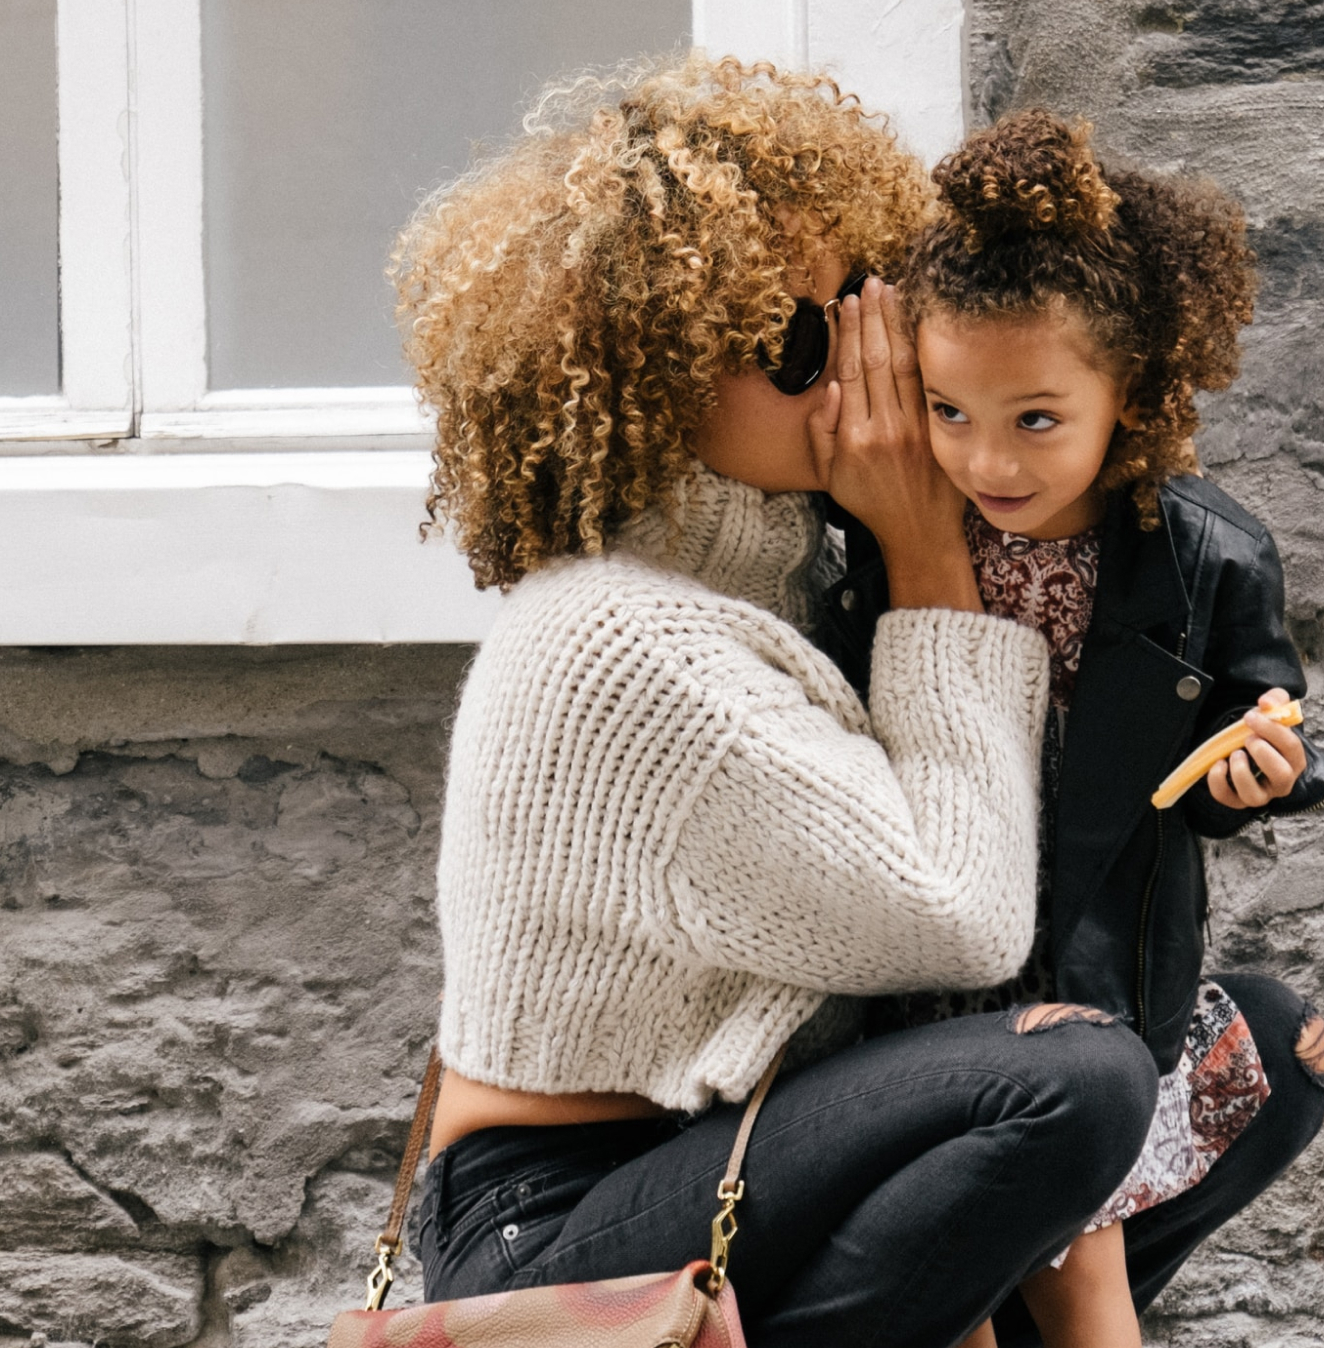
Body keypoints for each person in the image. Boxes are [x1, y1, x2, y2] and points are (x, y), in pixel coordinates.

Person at [388, 58, 1158, 1348]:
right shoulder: (622, 642)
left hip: (734, 1160)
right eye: (797, 342)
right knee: (1071, 1085)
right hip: (558, 1225)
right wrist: (930, 548)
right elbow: (961, 912)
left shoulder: (785, 590)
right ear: (652, 368)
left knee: (1256, 1045)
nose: (853, 373)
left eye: (865, 315)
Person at [813, 111, 1324, 1347]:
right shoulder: (887, 534)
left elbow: (1254, 716)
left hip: (1093, 968)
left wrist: (1255, 772)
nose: (986, 459)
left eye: (1035, 419)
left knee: (1078, 1252)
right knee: (953, 1275)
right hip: (924, 951)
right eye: (948, 411)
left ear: (1131, 396)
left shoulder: (1206, 557)